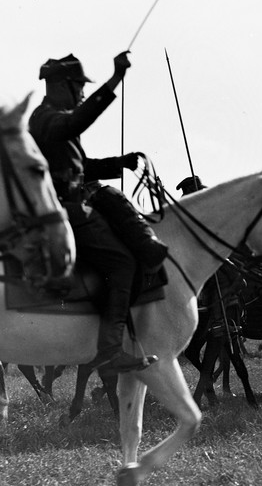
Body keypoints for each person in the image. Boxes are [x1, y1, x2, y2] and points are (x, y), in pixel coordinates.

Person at [29, 51, 167, 372]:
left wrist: (118, 163)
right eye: (79, 87)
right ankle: (109, 349)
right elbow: (79, 121)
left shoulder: (55, 119)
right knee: (122, 262)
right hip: (63, 210)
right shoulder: (48, 119)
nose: (81, 94)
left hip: (68, 204)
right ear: (61, 85)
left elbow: (82, 167)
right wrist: (115, 79)